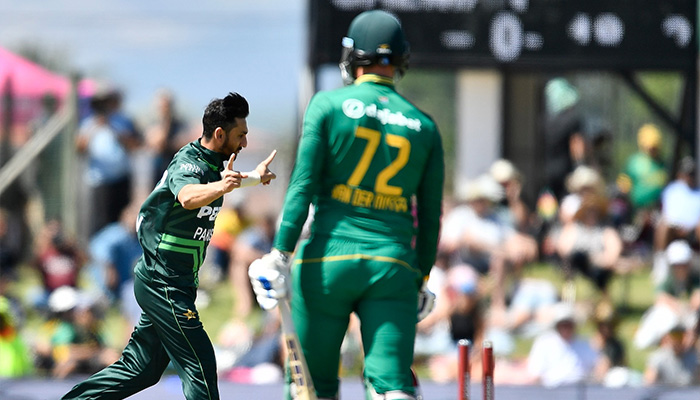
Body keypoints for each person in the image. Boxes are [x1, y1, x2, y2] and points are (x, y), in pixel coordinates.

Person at [248, 10, 444, 400]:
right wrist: (419, 278)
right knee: (392, 385)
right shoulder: (424, 125)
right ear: (401, 58)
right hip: (391, 265)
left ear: (352, 57)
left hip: (326, 262)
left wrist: (280, 254)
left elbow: (302, 187)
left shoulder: (327, 106)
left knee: (311, 387)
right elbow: (431, 218)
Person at [61, 92, 278, 400]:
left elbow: (222, 181)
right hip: (162, 283)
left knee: (142, 369)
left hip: (177, 283)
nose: (244, 143)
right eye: (240, 135)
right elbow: (188, 196)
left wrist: (255, 177)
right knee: (200, 365)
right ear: (219, 134)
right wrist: (223, 185)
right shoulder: (188, 162)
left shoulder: (214, 166)